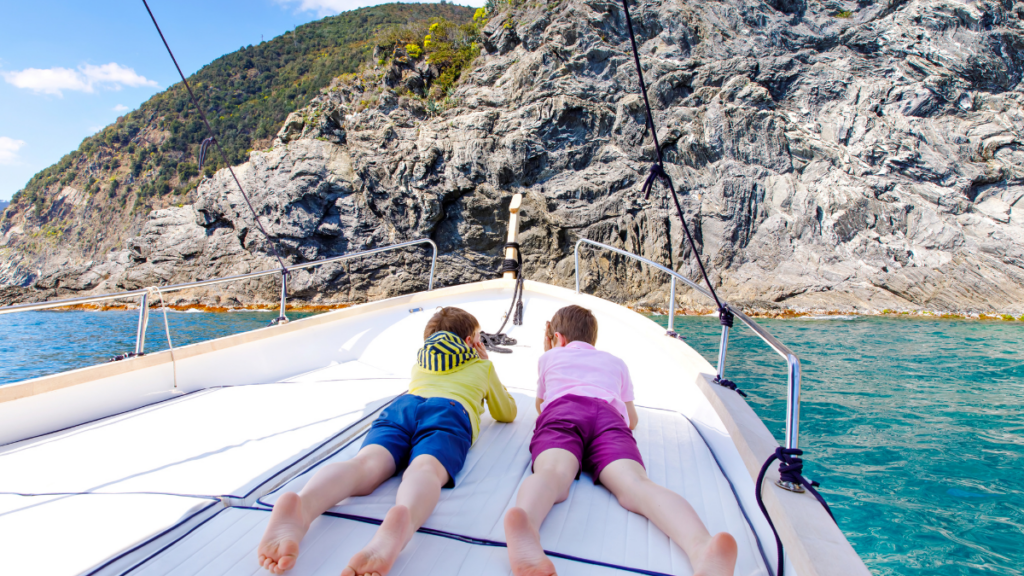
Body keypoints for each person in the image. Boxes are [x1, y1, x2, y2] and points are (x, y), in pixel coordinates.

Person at [258, 307, 518, 575]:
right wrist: (486, 363)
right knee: (425, 468)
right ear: (469, 343)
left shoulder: (420, 364)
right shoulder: (481, 365)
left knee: (366, 463)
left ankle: (303, 505)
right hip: (449, 411)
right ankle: (403, 519)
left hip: (404, 406)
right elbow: (506, 413)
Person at [503, 305, 738, 576]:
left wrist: (552, 354)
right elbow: (632, 419)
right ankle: (702, 546)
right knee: (636, 485)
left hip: (563, 411)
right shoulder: (616, 362)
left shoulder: (550, 357)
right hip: (608, 417)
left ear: (558, 338)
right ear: (593, 340)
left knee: (553, 473)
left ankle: (528, 528)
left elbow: (541, 405)